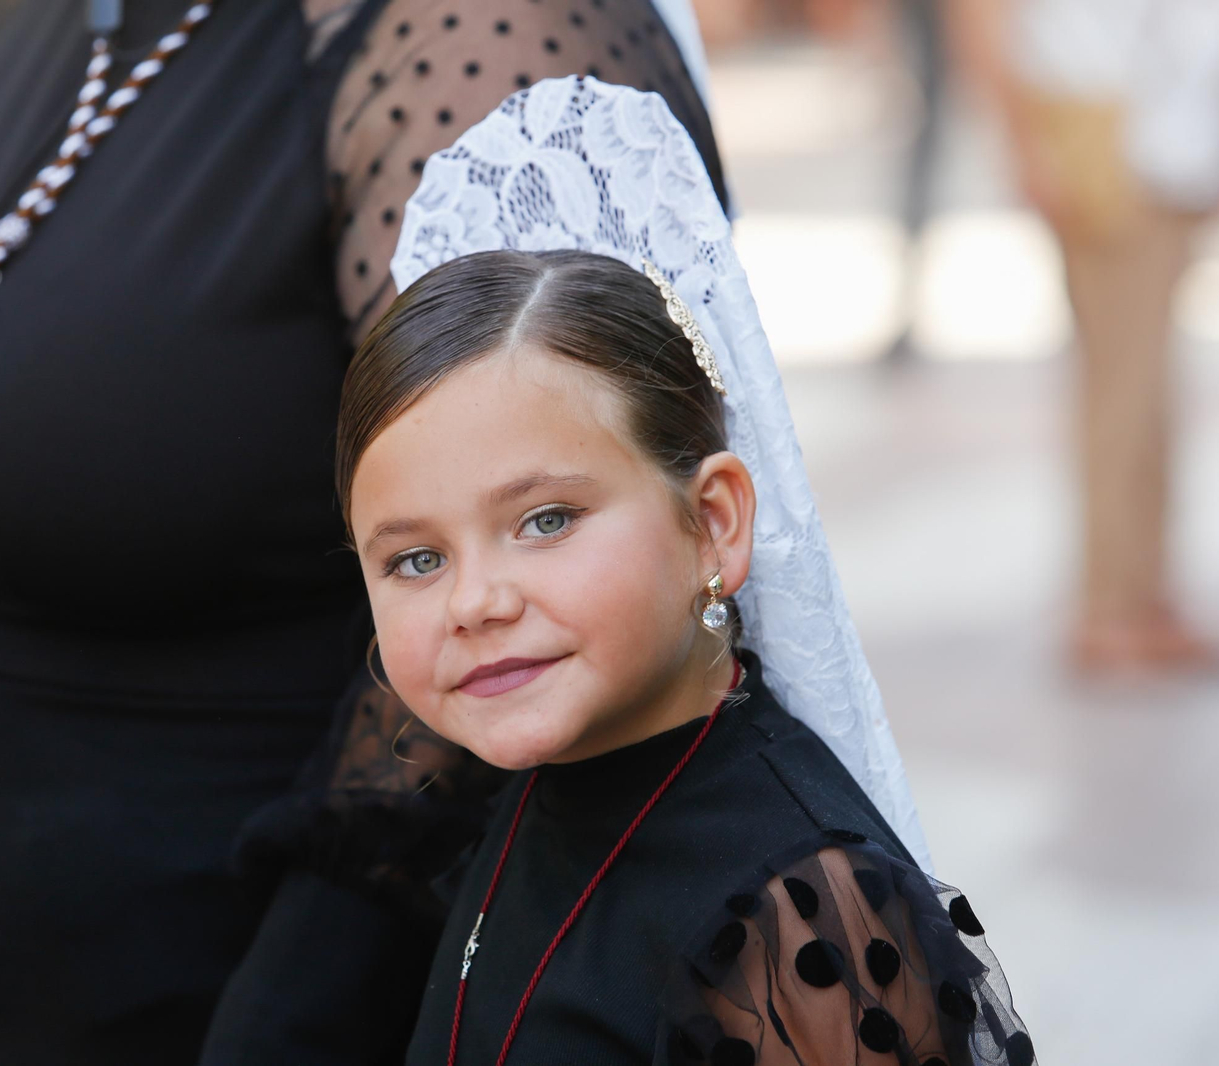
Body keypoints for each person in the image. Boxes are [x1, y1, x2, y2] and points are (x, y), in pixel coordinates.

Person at [0, 2, 728, 1062]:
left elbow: (528, 582)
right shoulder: (69, 18)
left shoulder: (478, 32)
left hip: (238, 981)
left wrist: (290, 1019)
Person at [332, 77, 1032, 1064]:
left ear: (712, 524)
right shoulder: (531, 774)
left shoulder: (801, 920)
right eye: (414, 557)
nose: (476, 601)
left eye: (544, 519)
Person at [961, 0, 1219, 672]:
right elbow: (980, 15)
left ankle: (1145, 592)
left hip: (1170, 137)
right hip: (1105, 139)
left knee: (1147, 386)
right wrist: (1024, 144)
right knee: (1122, 388)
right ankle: (1111, 605)